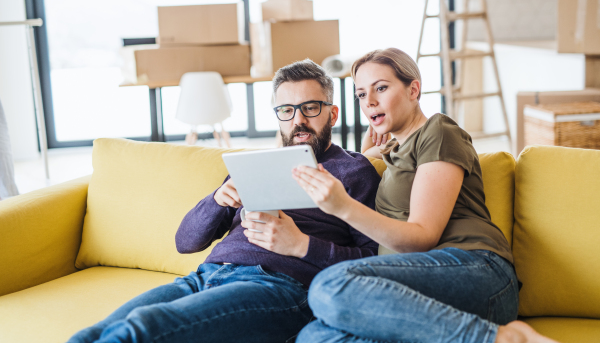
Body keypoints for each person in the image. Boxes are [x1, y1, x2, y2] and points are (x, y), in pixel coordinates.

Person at [67, 59, 381, 343]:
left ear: (332, 113)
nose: (298, 119)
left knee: (140, 329)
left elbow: (373, 262)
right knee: (91, 334)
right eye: (287, 110)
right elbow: (185, 242)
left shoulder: (354, 171)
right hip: (204, 277)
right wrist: (218, 200)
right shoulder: (255, 166)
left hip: (278, 286)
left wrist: (301, 244)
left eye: (310, 107)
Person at [292, 48, 559, 343]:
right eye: (360, 94)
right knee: (313, 336)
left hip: (475, 270)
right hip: (414, 296)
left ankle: (502, 339)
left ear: (413, 89)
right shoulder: (394, 152)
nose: (369, 102)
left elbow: (422, 237)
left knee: (329, 286)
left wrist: (343, 207)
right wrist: (370, 149)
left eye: (381, 88)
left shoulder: (439, 130)